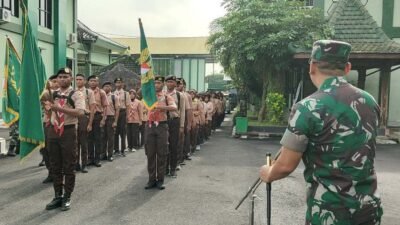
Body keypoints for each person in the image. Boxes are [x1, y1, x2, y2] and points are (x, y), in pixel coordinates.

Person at [259, 40, 383, 225]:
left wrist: (268, 173)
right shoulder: (370, 101)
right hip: (368, 210)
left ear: (312, 66)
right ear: (348, 68)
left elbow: (285, 165)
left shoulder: (307, 107)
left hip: (330, 213)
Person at [42, 67, 85, 211]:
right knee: (55, 165)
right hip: (53, 131)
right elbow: (46, 107)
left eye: (65, 77)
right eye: (60, 77)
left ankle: (67, 196)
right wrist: (48, 109)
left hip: (68, 131)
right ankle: (57, 195)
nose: (62, 79)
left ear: (71, 79)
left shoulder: (76, 94)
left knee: (68, 165)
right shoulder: (52, 94)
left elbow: (79, 112)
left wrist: (59, 109)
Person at [144, 75, 177, 190]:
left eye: (158, 83)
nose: (156, 85)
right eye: (154, 83)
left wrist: (162, 107)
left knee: (162, 153)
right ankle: (151, 179)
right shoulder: (149, 95)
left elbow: (174, 107)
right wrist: (146, 81)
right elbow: (139, 93)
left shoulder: (166, 96)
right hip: (149, 125)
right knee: (150, 154)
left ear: (163, 84)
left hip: (162, 126)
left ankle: (160, 180)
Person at [165, 75, 185, 177]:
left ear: (175, 84)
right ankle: (164, 168)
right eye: (168, 82)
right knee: (164, 146)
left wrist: (182, 126)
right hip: (163, 122)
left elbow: (182, 111)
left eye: (172, 82)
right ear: (165, 83)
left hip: (174, 121)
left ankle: (173, 168)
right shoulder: (161, 94)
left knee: (173, 145)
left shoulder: (179, 95)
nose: (170, 84)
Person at [75, 74, 96, 173]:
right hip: (74, 118)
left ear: (84, 81)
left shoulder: (89, 92)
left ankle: (84, 164)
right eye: (77, 79)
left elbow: (92, 109)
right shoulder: (72, 92)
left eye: (80, 79)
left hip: (84, 118)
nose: (78, 81)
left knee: (84, 143)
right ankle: (76, 164)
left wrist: (90, 124)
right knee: (75, 143)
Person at [87, 75, 108, 167]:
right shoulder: (85, 92)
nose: (93, 82)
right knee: (89, 139)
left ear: (98, 82)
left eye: (95, 81)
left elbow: (105, 106)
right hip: (87, 117)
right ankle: (90, 158)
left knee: (98, 138)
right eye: (91, 81)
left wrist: (103, 119)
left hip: (98, 116)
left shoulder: (101, 92)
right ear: (88, 82)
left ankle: (97, 159)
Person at [102, 81, 119, 161]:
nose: (107, 88)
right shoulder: (100, 96)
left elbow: (117, 110)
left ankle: (110, 155)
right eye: (105, 86)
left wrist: (115, 121)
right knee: (102, 137)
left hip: (110, 118)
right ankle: (103, 154)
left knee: (110, 137)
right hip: (102, 118)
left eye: (108, 86)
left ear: (111, 88)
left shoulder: (114, 97)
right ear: (103, 88)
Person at [113, 78, 131, 156]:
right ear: (115, 84)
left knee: (123, 132)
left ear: (122, 83)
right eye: (117, 82)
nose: (118, 84)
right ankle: (116, 149)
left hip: (123, 113)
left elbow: (128, 105)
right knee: (115, 132)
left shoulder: (126, 93)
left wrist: (127, 115)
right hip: (115, 113)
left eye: (120, 82)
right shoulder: (113, 93)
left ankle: (123, 149)